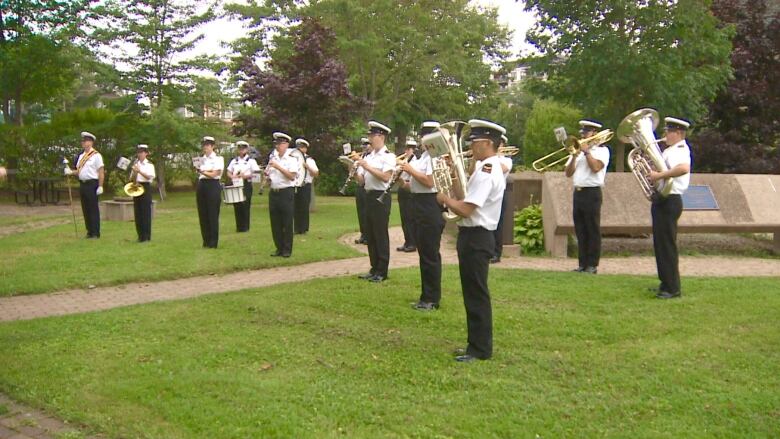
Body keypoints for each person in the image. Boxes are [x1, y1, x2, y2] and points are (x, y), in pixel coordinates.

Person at [437, 119, 506, 362]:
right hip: (473, 237)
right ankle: (474, 345)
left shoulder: (488, 170)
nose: (471, 146)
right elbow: (465, 196)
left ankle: (480, 350)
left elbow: (466, 209)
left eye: (475, 142)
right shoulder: (484, 167)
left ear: (487, 143)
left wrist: (444, 198)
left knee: (476, 294)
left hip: (477, 237)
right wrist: (452, 177)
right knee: (472, 293)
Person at [401, 121, 444, 311]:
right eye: (422, 137)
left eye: (426, 137)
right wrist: (403, 178)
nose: (423, 140)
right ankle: (425, 295)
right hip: (418, 202)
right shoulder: (422, 158)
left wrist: (409, 169)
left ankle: (432, 298)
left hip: (430, 204)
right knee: (423, 252)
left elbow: (428, 182)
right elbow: (414, 184)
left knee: (430, 253)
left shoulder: (436, 157)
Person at [648, 117, 692, 299]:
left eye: (669, 131)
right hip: (663, 199)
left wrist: (659, 175)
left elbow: (683, 168)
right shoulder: (670, 150)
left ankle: (673, 288)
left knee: (667, 245)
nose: (665, 134)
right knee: (660, 244)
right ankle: (665, 282)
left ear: (679, 133)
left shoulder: (681, 149)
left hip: (670, 200)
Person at [564, 120, 611, 274]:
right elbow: (568, 173)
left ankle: (592, 264)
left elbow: (596, 168)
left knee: (592, 228)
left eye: (586, 132)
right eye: (582, 132)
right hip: (578, 192)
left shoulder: (602, 151)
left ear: (595, 134)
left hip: (592, 192)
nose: (583, 135)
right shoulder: (577, 151)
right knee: (580, 229)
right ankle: (582, 263)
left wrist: (587, 152)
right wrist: (573, 156)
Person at [356, 121, 396, 283]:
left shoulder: (389, 156)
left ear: (381, 137)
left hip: (381, 196)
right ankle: (373, 267)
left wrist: (367, 167)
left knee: (380, 234)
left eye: (372, 136)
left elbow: (386, 177)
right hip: (368, 195)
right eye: (370, 135)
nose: (370, 139)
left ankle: (382, 270)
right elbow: (361, 181)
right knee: (370, 233)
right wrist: (353, 169)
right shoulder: (369, 156)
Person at [64, 132, 104, 239]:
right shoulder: (81, 156)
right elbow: (79, 171)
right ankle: (89, 231)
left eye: (85, 141)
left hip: (92, 184)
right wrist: (70, 172)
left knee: (93, 208)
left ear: (90, 142)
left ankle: (95, 232)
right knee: (85, 208)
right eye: (82, 141)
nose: (83, 143)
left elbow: (101, 171)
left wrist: (100, 186)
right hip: (83, 184)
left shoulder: (96, 156)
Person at [266, 132, 299, 257]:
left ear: (286, 144)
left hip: (286, 192)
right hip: (274, 192)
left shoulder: (291, 159)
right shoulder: (273, 158)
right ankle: (278, 247)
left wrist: (278, 167)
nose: (277, 146)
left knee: (287, 221)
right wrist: (268, 178)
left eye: (280, 144)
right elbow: (272, 176)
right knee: (275, 222)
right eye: (276, 144)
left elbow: (291, 176)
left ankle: (287, 249)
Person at [195, 136, 224, 249]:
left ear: (213, 146)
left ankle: (213, 241)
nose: (205, 147)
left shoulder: (218, 159)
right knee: (203, 213)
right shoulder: (201, 159)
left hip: (213, 185)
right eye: (204, 145)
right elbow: (202, 173)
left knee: (212, 214)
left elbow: (215, 174)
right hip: (202, 185)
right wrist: (202, 171)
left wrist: (203, 171)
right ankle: (206, 240)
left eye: (207, 145)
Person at [227, 141, 260, 232]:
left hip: (246, 183)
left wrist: (245, 176)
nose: (241, 151)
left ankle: (245, 227)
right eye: (240, 149)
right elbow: (229, 171)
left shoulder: (251, 161)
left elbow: (256, 174)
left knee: (245, 205)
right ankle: (239, 226)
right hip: (236, 182)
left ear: (247, 149)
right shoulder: (234, 161)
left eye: (243, 149)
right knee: (237, 204)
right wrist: (232, 176)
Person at [491, 135, 514, 263]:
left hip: (500, 194)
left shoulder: (506, 160)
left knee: (498, 225)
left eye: (500, 145)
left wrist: (493, 157)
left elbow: (502, 169)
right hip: (487, 194)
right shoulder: (486, 160)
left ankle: (496, 253)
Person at [130, 144, 155, 242]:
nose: (139, 154)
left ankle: (146, 236)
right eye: (138, 152)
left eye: (142, 152)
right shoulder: (136, 164)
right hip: (136, 186)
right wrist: (133, 173)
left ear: (146, 153)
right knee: (138, 212)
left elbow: (150, 177)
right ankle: (140, 235)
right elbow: (131, 178)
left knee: (145, 212)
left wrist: (139, 171)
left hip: (145, 187)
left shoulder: (149, 165)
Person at [396, 138, 418, 253]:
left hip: (410, 189)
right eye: (406, 148)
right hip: (402, 188)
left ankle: (412, 243)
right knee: (404, 217)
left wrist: (403, 165)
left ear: (413, 150)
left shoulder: (415, 161)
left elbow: (412, 173)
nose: (406, 151)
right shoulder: (405, 160)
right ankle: (407, 241)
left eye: (409, 149)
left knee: (410, 217)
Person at [293, 138, 319, 234]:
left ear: (306, 149)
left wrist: (307, 167)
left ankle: (303, 229)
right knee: (296, 207)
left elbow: (316, 174)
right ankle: (296, 228)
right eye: (299, 147)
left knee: (304, 207)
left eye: (303, 147)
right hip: (296, 185)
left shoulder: (309, 160)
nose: (300, 149)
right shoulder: (294, 159)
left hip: (305, 185)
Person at [354, 138, 371, 244]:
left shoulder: (369, 159)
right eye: (363, 145)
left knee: (367, 212)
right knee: (360, 212)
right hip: (360, 186)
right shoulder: (362, 157)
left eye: (366, 145)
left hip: (367, 187)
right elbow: (358, 176)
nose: (364, 147)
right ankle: (363, 234)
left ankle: (368, 235)